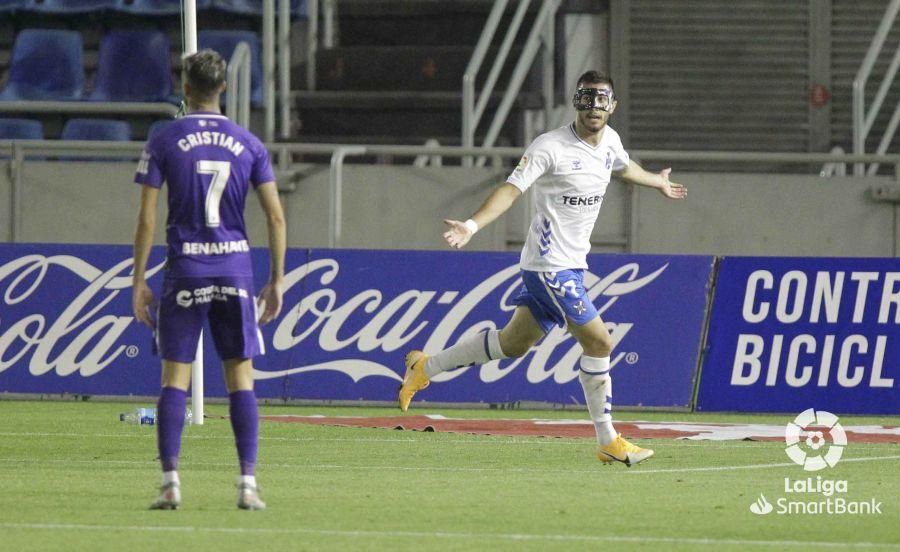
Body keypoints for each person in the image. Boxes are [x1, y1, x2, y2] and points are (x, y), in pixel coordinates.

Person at [398, 70, 687, 467]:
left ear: (613, 106)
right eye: (586, 99)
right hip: (550, 267)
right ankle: (609, 440)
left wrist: (656, 181)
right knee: (600, 342)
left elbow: (622, 166)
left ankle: (424, 366)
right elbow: (511, 189)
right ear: (576, 102)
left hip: (569, 267)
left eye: (601, 100)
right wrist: (471, 224)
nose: (593, 108)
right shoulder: (549, 147)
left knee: (513, 344)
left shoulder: (611, 142)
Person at [132, 49, 286, 509]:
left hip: (185, 270)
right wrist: (277, 278)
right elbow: (275, 217)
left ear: (184, 87)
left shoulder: (163, 140)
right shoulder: (249, 144)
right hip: (235, 271)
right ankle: (247, 485)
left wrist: (139, 279)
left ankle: (171, 482)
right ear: (224, 89)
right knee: (241, 378)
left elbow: (146, 218)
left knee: (174, 379)